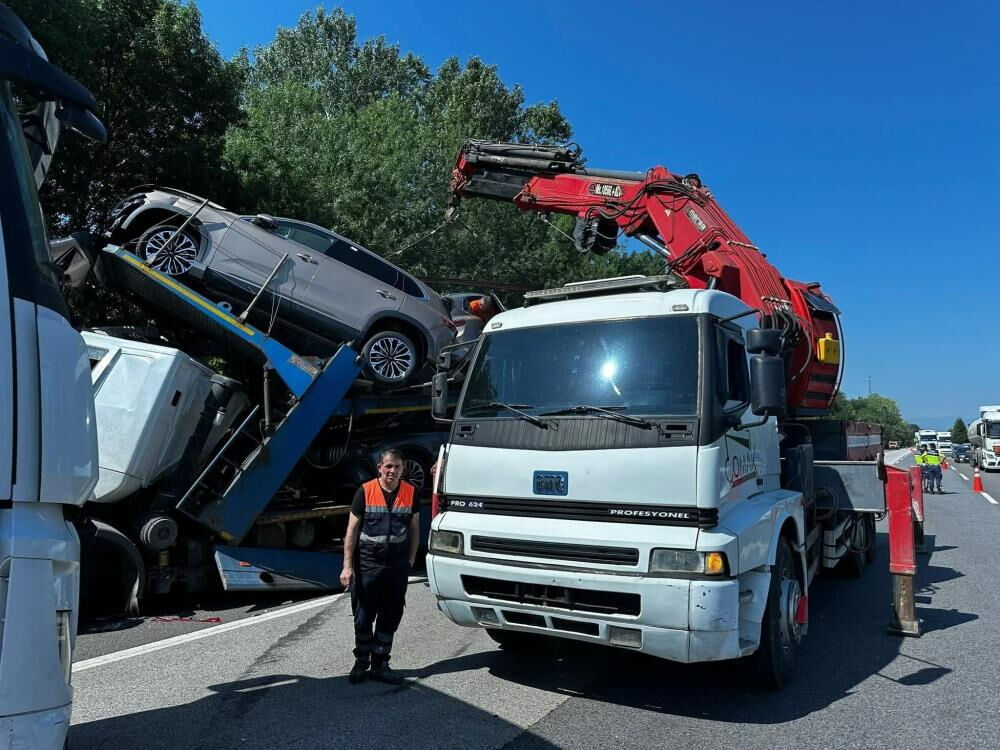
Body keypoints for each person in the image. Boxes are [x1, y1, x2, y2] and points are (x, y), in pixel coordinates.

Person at [341, 448, 420, 685]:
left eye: (397, 466)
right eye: (388, 466)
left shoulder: (410, 492)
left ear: (402, 469)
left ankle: (380, 663)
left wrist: (411, 557)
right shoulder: (365, 492)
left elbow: (415, 527)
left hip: (396, 566)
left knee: (391, 614)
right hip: (368, 565)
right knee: (363, 617)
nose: (392, 471)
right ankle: (361, 662)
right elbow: (351, 531)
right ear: (380, 468)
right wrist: (347, 567)